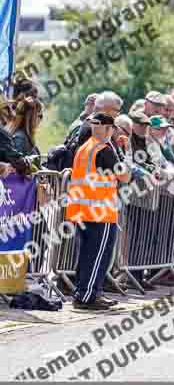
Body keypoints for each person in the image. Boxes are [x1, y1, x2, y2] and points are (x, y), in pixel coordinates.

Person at [66, 113, 131, 310]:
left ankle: (84, 293)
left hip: (83, 210)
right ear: (107, 128)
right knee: (98, 256)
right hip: (100, 212)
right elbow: (125, 176)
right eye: (112, 129)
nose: (113, 133)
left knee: (87, 256)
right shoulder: (103, 150)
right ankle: (89, 295)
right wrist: (125, 151)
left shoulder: (84, 148)